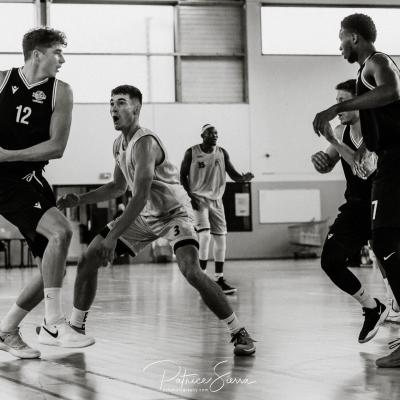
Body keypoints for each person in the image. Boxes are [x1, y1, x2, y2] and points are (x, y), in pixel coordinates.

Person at [57, 85, 256, 356]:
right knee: (88, 259)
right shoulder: (119, 145)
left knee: (191, 271)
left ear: (136, 108)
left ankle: (238, 330)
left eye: (121, 102)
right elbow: (117, 187)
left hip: (174, 213)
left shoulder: (145, 143)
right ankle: (76, 327)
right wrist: (79, 200)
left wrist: (113, 237)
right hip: (145, 216)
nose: (113, 108)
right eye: (111, 103)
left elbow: (139, 196)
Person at [0, 27, 94, 359]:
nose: (62, 59)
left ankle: (8, 329)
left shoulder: (61, 92)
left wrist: (8, 155)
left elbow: (57, 147)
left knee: (52, 269)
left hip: (28, 179)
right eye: (58, 52)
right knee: (61, 232)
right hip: (3, 181)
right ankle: (53, 323)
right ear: (37, 54)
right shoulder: (2, 80)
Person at [313, 13, 400, 367]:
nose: (339, 46)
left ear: (353, 37)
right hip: (385, 168)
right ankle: (377, 308)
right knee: (382, 246)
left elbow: (393, 90)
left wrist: (338, 106)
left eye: (341, 38)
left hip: (394, 163)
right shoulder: (364, 81)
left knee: (385, 245)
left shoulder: (377, 62)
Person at [312, 79, 388, 343]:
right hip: (356, 207)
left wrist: (332, 139)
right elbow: (330, 162)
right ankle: (372, 307)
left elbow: (362, 167)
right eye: (336, 102)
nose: (338, 108)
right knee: (330, 260)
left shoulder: (376, 129)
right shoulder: (341, 132)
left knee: (389, 260)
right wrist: (321, 162)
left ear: (359, 102)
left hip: (385, 205)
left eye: (343, 102)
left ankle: (394, 306)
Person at [180, 124, 254, 294]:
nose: (214, 135)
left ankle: (219, 279)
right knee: (205, 236)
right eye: (210, 133)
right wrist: (189, 196)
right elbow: (182, 175)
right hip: (198, 198)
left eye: (216, 133)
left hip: (216, 200)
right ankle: (201, 277)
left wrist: (243, 178)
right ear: (202, 136)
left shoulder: (222, 152)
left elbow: (233, 174)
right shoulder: (191, 152)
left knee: (221, 240)